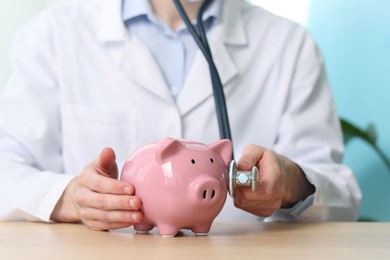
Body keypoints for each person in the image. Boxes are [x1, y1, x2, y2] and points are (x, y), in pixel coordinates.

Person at [0, 0, 361, 231]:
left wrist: (291, 184)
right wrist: (69, 196)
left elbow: (342, 193)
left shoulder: (290, 45)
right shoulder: (53, 36)